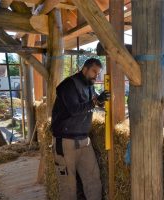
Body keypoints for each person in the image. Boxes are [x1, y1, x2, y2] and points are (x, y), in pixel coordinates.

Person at [51, 58, 110, 200]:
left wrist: (100, 100)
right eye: (94, 71)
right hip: (65, 142)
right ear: (85, 69)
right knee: (68, 185)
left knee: (93, 180)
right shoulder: (68, 85)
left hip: (84, 141)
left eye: (98, 73)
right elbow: (74, 109)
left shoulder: (89, 85)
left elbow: (93, 101)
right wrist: (96, 101)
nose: (96, 75)